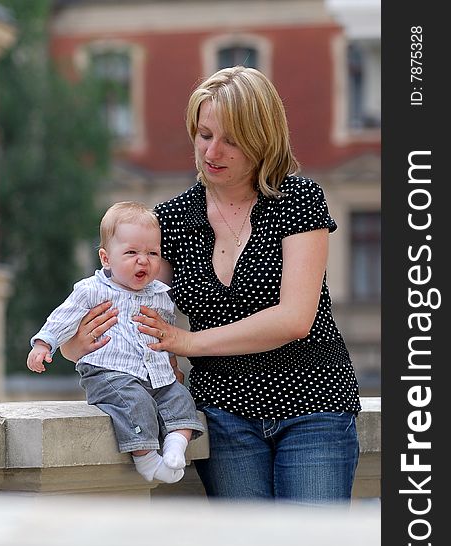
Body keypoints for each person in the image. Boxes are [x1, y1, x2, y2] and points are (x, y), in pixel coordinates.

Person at [61, 66, 361, 503]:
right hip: (223, 413)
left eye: (232, 140)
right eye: (204, 135)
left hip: (313, 403)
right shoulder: (170, 220)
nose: (212, 151)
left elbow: (295, 318)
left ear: (263, 139)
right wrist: (74, 345)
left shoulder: (299, 200)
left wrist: (185, 342)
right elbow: (132, 307)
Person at [27, 201, 205, 485]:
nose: (143, 260)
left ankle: (175, 446)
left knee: (181, 398)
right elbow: (63, 318)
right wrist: (44, 345)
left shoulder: (161, 294)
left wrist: (171, 362)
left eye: (152, 253)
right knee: (133, 403)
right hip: (109, 372)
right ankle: (146, 459)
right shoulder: (92, 290)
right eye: (132, 252)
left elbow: (165, 333)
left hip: (155, 374)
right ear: (106, 258)